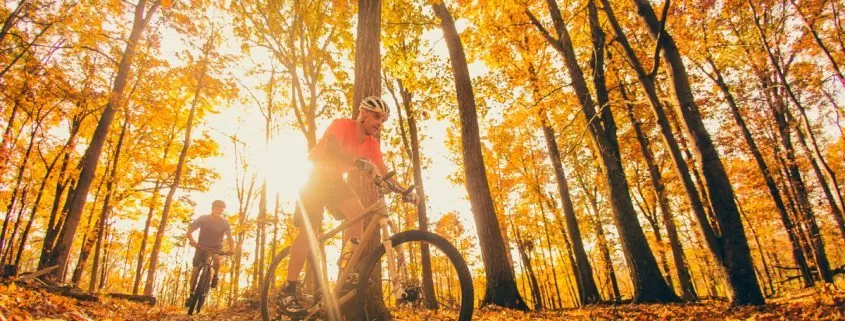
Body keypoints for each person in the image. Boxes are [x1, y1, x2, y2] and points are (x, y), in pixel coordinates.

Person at [280, 96, 417, 316]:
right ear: (363, 113)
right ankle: (288, 290)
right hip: (315, 179)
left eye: (383, 120)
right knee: (309, 232)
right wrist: (357, 161)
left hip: (335, 183)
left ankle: (346, 271)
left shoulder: (372, 144)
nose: (379, 123)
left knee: (358, 213)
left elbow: (384, 170)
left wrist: (404, 191)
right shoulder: (341, 125)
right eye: (376, 117)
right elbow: (332, 149)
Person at [185, 199, 234, 307]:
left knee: (216, 259)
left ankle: (215, 275)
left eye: (221, 209)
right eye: (217, 207)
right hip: (201, 246)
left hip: (216, 248)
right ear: (212, 208)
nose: (219, 210)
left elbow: (230, 237)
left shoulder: (224, 223)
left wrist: (231, 249)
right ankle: (191, 294)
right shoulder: (203, 218)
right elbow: (189, 232)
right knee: (195, 270)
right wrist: (193, 242)